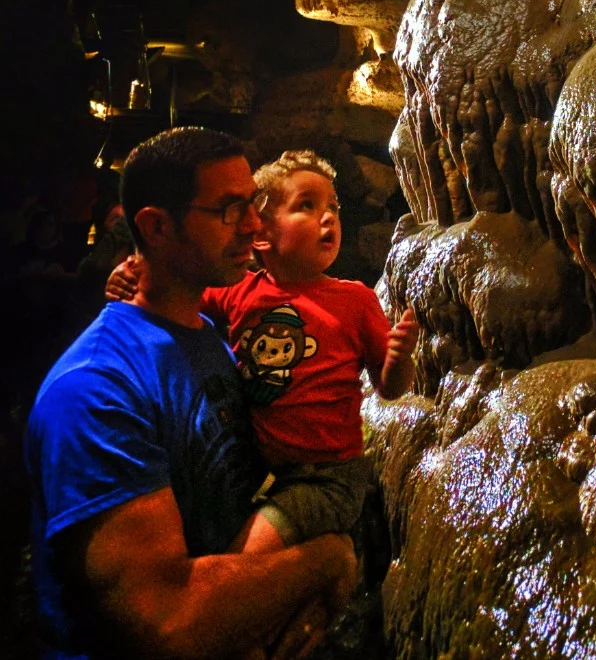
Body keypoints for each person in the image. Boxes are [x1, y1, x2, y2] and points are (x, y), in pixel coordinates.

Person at [25, 127, 356, 660]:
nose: (253, 226)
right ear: (156, 226)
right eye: (229, 210)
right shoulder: (95, 389)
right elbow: (168, 621)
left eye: (252, 204)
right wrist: (325, 558)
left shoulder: (211, 341)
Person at [109, 149, 419, 553]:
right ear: (260, 236)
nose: (328, 217)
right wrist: (131, 273)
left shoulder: (355, 300)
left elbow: (390, 389)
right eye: (306, 206)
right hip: (259, 471)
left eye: (333, 207)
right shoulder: (240, 292)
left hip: (326, 478)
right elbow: (174, 291)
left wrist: (398, 359)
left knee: (247, 554)